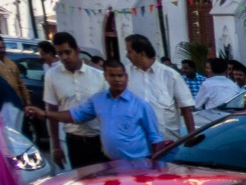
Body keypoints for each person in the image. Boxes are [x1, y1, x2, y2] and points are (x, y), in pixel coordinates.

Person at [28, 59, 165, 160]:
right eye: (112, 76)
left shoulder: (141, 105)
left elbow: (156, 138)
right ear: (105, 77)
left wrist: (153, 164)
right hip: (110, 163)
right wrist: (45, 114)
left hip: (138, 165)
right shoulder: (98, 100)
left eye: (120, 75)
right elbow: (74, 115)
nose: (117, 80)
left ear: (126, 77)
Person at [42, 32, 106, 169]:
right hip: (74, 141)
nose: (64, 57)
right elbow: (52, 111)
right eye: (60, 54)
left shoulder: (99, 76)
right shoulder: (52, 76)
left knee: (104, 179)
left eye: (67, 52)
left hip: (100, 139)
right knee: (82, 180)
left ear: (77, 51)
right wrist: (56, 146)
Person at [124, 35, 196, 141]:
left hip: (167, 142)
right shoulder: (125, 74)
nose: (126, 55)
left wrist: (192, 137)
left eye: (129, 52)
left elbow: (186, 108)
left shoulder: (170, 75)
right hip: (136, 142)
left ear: (142, 53)